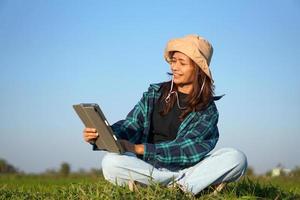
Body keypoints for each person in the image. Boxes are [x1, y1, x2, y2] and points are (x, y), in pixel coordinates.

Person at [83, 34, 247, 195]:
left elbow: (186, 150)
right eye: (173, 61)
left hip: (187, 168)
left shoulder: (207, 110)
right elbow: (132, 125)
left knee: (236, 158)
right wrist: (105, 134)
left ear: (198, 70)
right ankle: (184, 186)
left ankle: (174, 186)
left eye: (182, 63)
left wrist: (138, 148)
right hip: (148, 166)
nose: (174, 67)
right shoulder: (154, 94)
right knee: (111, 162)